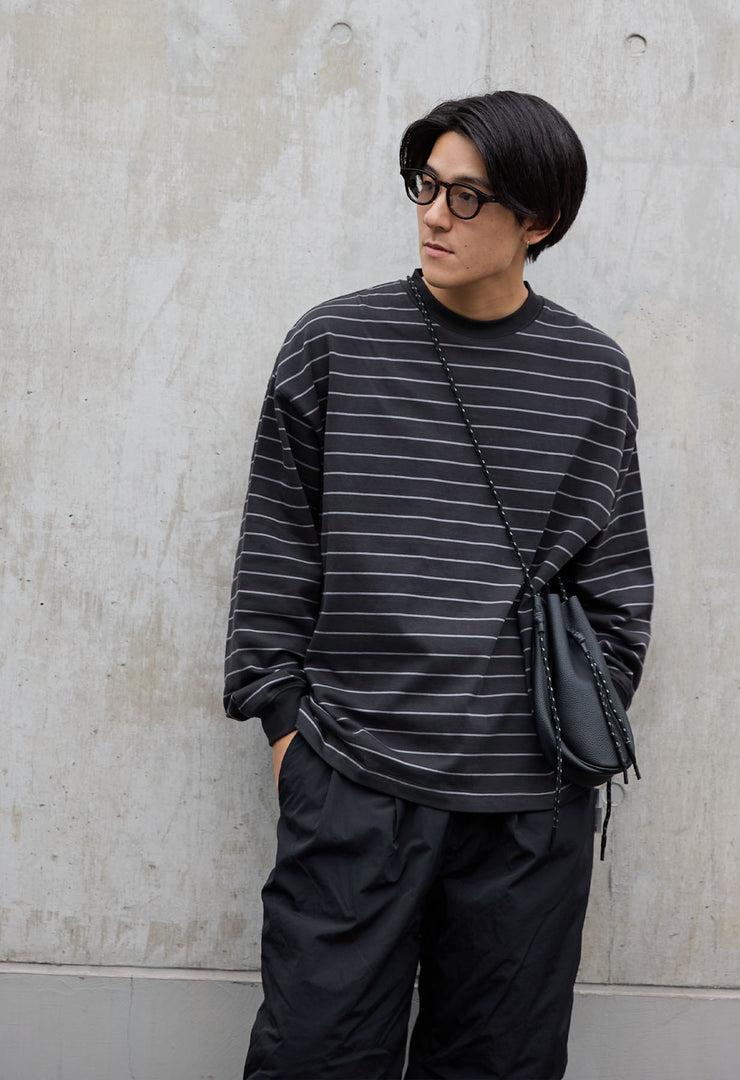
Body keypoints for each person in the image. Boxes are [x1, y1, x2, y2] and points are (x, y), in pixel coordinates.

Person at [224, 90, 653, 1080]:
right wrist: (290, 734)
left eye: (467, 197)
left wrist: (562, 745)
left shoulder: (593, 373)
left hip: (529, 810)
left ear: (538, 220)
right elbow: (277, 552)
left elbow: (617, 586)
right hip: (353, 782)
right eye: (426, 185)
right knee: (314, 1058)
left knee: (498, 1067)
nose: (433, 215)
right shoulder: (336, 344)